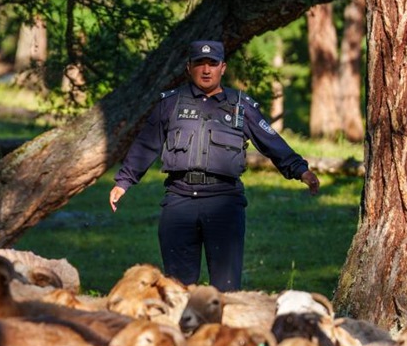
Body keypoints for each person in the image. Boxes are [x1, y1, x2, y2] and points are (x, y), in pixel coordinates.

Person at [109, 40, 320, 291]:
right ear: (189, 67)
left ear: (223, 67)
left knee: (226, 290)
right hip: (179, 201)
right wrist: (124, 181)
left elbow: (271, 141)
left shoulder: (241, 106)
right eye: (200, 63)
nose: (206, 70)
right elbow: (146, 144)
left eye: (212, 64)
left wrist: (301, 170)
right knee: (177, 289)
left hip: (225, 203)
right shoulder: (171, 103)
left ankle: (222, 330)